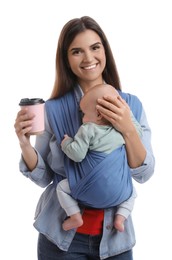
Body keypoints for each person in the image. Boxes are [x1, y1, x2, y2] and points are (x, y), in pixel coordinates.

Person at [14, 16, 155, 260]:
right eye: (77, 51)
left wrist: (128, 129)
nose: (89, 58)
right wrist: (24, 144)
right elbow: (44, 177)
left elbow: (144, 174)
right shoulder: (53, 110)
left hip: (114, 238)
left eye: (95, 47)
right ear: (66, 60)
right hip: (60, 237)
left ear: (105, 52)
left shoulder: (130, 105)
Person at [57, 83, 141, 232]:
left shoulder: (88, 128)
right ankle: (121, 218)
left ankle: (75, 216)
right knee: (132, 192)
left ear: (98, 114)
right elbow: (138, 134)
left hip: (89, 191)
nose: (82, 117)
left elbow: (77, 155)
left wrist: (66, 143)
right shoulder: (122, 130)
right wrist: (128, 115)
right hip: (118, 193)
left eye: (83, 113)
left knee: (62, 188)